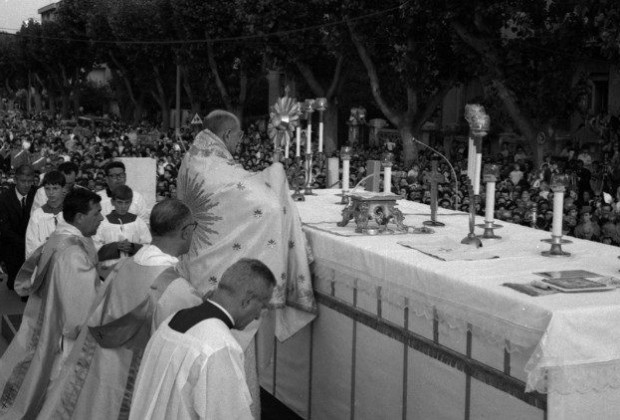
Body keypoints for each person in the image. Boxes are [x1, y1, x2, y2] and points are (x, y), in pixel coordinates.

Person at [157, 110, 317, 418]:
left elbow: (229, 197)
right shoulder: (214, 163)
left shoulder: (194, 158)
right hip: (219, 272)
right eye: (239, 137)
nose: (240, 142)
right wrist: (276, 179)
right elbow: (266, 206)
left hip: (200, 261)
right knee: (226, 363)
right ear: (228, 135)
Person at [35, 199, 193, 420]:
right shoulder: (177, 290)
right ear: (186, 232)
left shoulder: (121, 266)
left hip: (104, 371)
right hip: (138, 384)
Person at [0, 188, 103, 419]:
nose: (102, 218)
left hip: (47, 318)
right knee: (58, 390)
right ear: (79, 217)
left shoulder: (58, 238)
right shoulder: (74, 253)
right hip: (63, 337)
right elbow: (80, 316)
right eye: (97, 213)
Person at [129, 259, 275, 420]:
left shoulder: (171, 321)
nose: (257, 316)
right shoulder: (220, 345)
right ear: (247, 302)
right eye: (262, 307)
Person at [94, 185, 152, 272]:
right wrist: (115, 247)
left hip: (133, 271)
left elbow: (148, 247)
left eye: (127, 202)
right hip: (108, 271)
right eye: (119, 202)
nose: (123, 206)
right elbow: (95, 249)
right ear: (112, 202)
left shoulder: (138, 222)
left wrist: (132, 247)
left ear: (131, 202)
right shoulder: (103, 223)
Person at [0, 164, 35, 291]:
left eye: (30, 181)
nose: (26, 185)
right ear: (15, 180)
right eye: (23, 181)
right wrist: (24, 243)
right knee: (14, 285)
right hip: (12, 245)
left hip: (33, 244)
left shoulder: (36, 194)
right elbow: (5, 229)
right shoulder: (4, 198)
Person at [25, 170, 66, 258]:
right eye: (47, 188)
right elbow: (31, 244)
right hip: (44, 263)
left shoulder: (70, 212)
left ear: (63, 188)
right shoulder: (38, 215)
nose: (51, 192)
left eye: (55, 188)